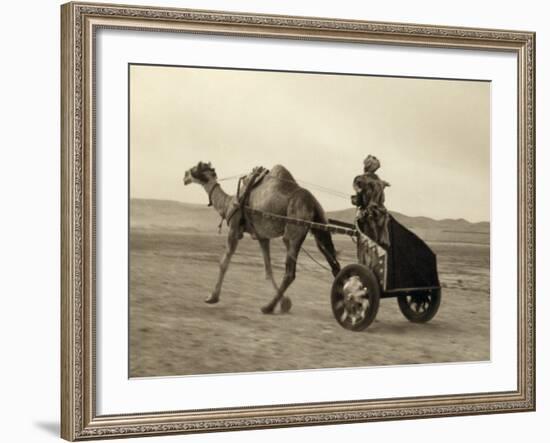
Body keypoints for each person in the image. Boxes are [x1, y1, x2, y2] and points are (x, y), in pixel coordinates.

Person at [351, 155, 391, 248]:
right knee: (379, 245)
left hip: (369, 216)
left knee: (369, 244)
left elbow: (359, 201)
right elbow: (382, 199)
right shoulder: (380, 182)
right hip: (382, 216)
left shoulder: (360, 179)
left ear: (366, 166)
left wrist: (354, 200)